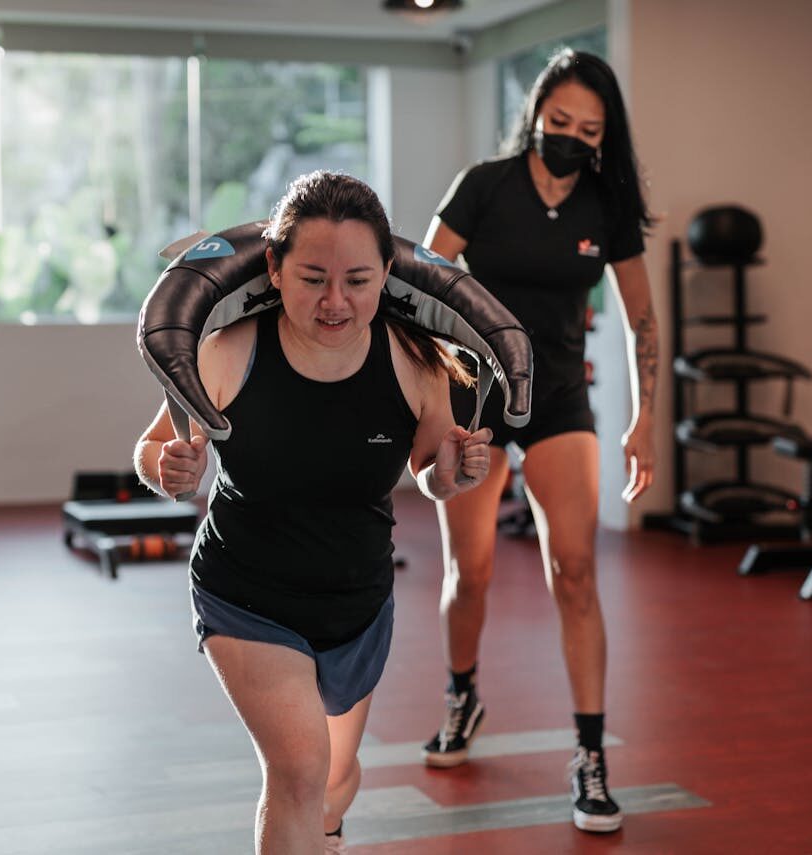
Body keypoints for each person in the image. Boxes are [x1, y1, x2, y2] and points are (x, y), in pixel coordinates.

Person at [134, 170, 493, 855]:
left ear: (387, 272)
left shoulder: (415, 362)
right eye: (312, 278)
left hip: (357, 605)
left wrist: (454, 470)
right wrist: (167, 468)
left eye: (357, 280)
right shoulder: (228, 349)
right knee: (299, 771)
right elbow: (154, 447)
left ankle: (324, 834)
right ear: (273, 266)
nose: (335, 301)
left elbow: (430, 471)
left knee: (332, 779)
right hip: (246, 596)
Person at [420, 48, 659, 835]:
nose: (570, 137)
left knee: (578, 570)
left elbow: (641, 319)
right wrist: (433, 398)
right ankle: (462, 696)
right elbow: (419, 286)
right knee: (473, 570)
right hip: (474, 400)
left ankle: (590, 754)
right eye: (559, 121)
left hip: (558, 397)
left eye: (588, 129)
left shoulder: (606, 205)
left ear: (604, 135)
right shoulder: (483, 186)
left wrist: (643, 418)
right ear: (535, 115)